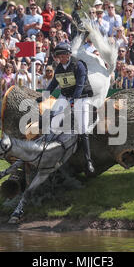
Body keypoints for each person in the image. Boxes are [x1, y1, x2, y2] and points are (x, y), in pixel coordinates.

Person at [40, 42, 95, 174]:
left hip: (81, 97)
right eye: (57, 56)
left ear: (66, 55)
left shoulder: (79, 65)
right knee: (52, 117)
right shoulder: (59, 68)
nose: (58, 58)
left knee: (82, 129)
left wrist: (73, 102)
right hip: (66, 96)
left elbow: (80, 85)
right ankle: (46, 148)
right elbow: (53, 84)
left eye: (59, 55)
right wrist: (44, 96)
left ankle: (88, 161)